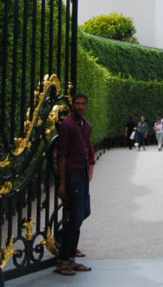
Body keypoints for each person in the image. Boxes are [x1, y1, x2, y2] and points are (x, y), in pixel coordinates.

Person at [56, 93, 96, 276]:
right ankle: (64, 260)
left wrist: (91, 167)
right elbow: (62, 154)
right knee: (76, 217)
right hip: (72, 176)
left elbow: (88, 147)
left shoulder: (85, 126)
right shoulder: (67, 125)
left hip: (82, 175)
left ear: (86, 106)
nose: (80, 106)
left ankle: (69, 257)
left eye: (82, 103)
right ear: (73, 105)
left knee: (83, 213)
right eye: (77, 103)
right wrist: (62, 183)